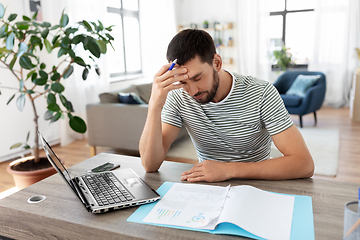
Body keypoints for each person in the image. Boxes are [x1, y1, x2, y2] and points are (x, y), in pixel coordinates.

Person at [139, 29, 314, 183]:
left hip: (257, 184)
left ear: (217, 63)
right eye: (183, 81)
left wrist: (228, 170)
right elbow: (149, 164)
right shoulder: (179, 96)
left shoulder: (262, 93)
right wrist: (155, 104)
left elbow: (304, 164)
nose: (192, 91)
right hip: (210, 185)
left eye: (197, 78)